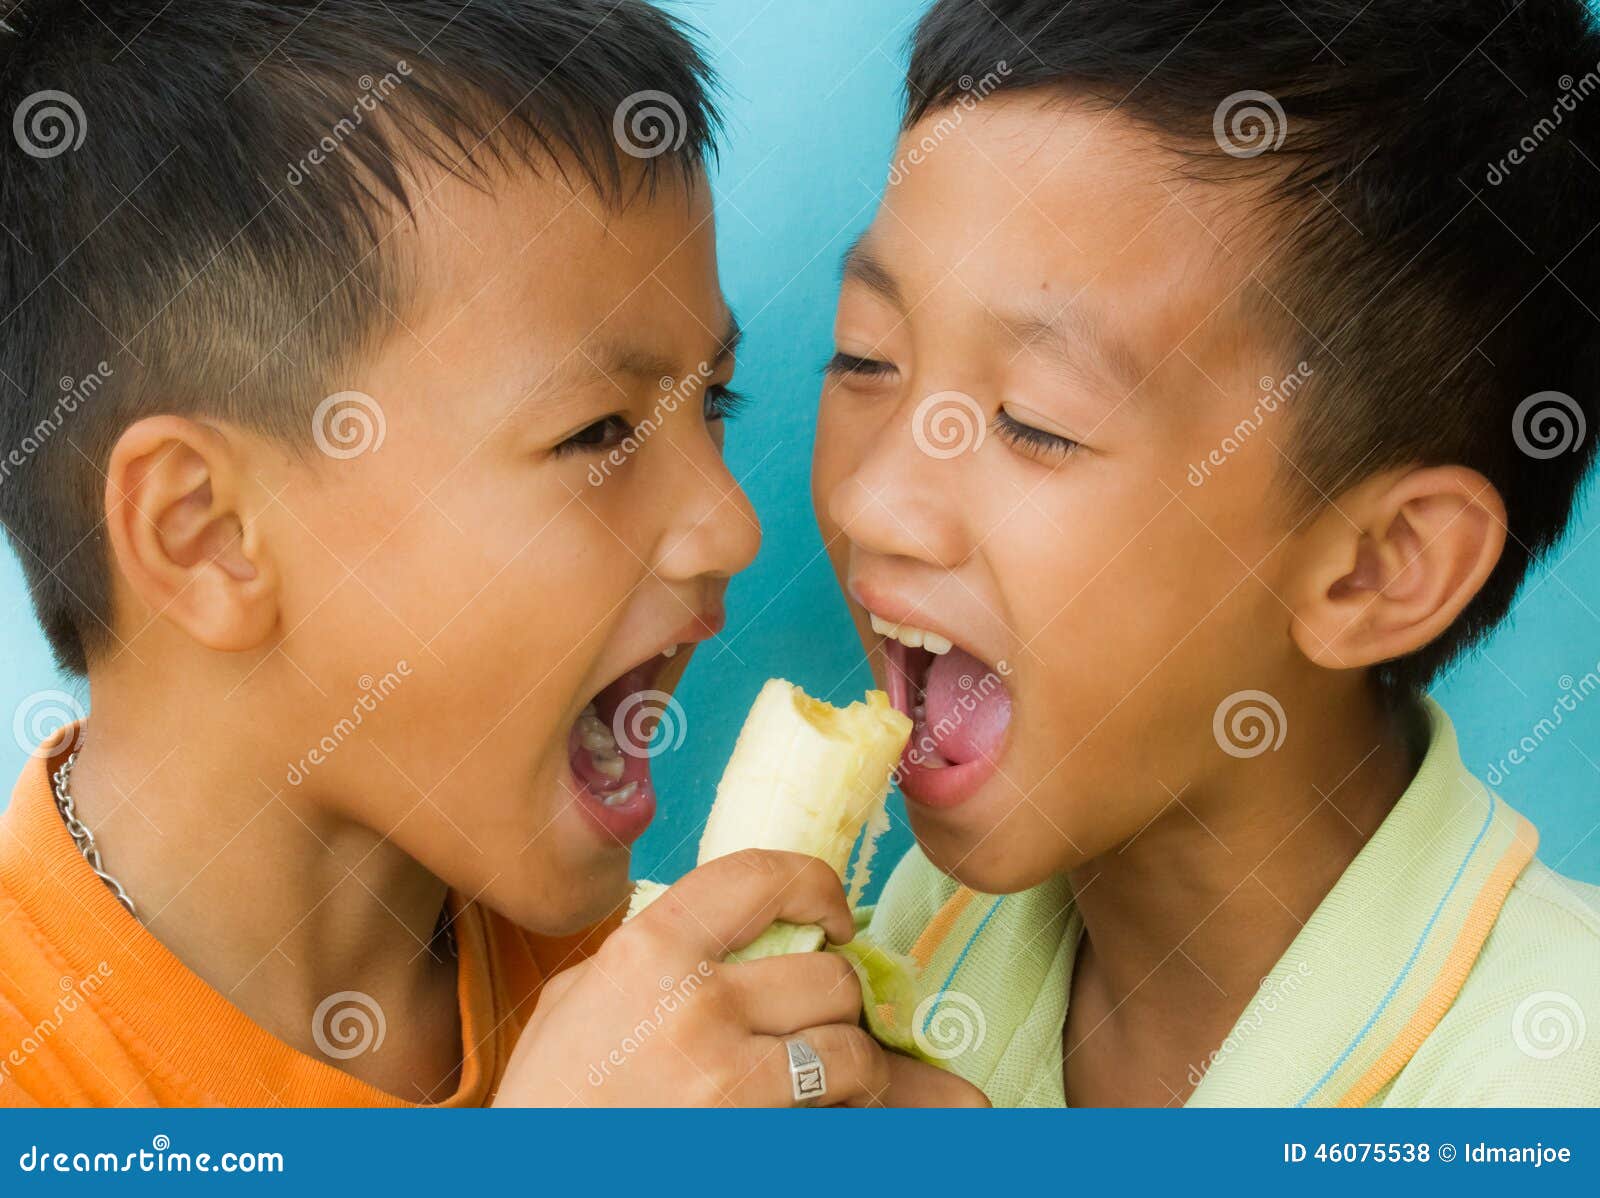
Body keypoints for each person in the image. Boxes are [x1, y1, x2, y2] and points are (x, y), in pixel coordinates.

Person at [0, 0, 976, 1108]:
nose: (732, 527)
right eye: (597, 433)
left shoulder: (662, 1019)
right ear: (207, 534)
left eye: (714, 400)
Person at [813, 0, 1600, 1105]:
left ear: (1377, 567)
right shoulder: (928, 932)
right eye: (864, 357)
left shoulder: (1551, 1071)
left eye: (1035, 421)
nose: (875, 502)